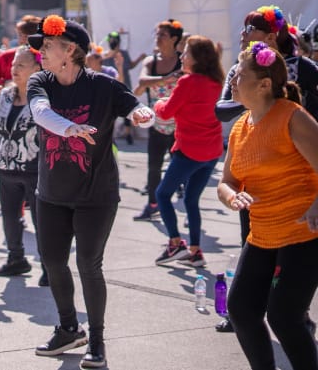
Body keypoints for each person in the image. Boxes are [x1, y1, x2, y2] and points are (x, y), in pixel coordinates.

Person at [26, 15, 155, 368]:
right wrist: (69, 128)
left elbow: (135, 106)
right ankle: (69, 328)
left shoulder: (103, 86)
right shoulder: (40, 81)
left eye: (47, 46)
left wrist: (143, 114)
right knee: (52, 261)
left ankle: (96, 340)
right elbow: (40, 113)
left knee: (88, 264)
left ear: (70, 50)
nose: (40, 52)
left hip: (95, 196)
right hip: (51, 193)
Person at [218, 41, 318, 370]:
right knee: (242, 309)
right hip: (262, 233)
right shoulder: (240, 129)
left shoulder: (292, 117)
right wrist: (233, 196)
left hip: (303, 233)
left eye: (239, 74)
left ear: (263, 84)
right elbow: (226, 182)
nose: (232, 78)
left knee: (284, 316)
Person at [152, 36, 225, 269]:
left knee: (162, 195)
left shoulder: (188, 82)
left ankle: (175, 243)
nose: (182, 57)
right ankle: (195, 251)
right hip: (211, 152)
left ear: (197, 58)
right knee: (192, 200)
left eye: (185, 53)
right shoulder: (216, 82)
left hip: (190, 151)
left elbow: (165, 112)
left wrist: (158, 102)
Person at [0, 46, 46, 284]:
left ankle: (49, 266)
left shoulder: (46, 97)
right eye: (13, 64)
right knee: (9, 217)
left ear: (37, 68)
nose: (14, 69)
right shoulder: (4, 94)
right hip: (6, 168)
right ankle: (16, 258)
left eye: (21, 65)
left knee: (42, 221)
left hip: (36, 169)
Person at [131, 19, 185, 222]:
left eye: (162, 35)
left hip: (181, 127)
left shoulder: (183, 61)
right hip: (156, 125)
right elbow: (142, 81)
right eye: (157, 34)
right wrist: (168, 79)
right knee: (153, 168)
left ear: (174, 39)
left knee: (182, 169)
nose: (158, 38)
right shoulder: (151, 62)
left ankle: (187, 206)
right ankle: (152, 205)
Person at [0, 15, 41, 91]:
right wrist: (5, 83)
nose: (23, 39)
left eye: (27, 35)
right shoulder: (7, 57)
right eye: (20, 35)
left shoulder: (46, 58)